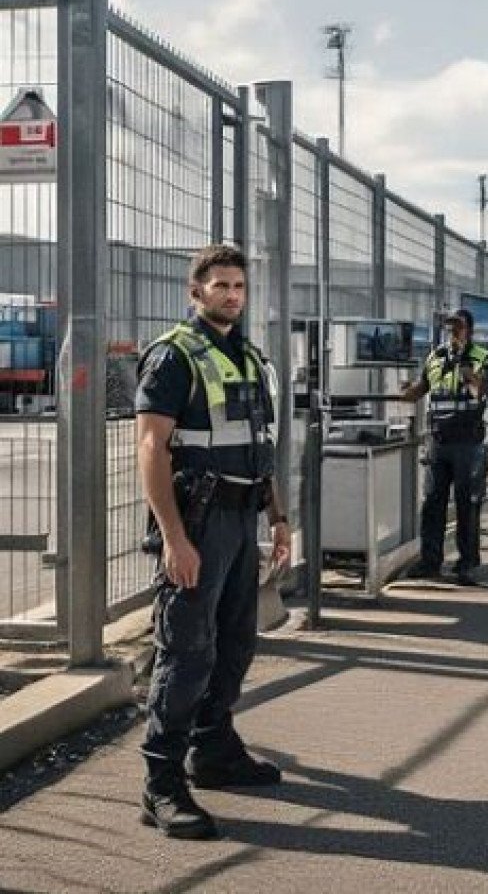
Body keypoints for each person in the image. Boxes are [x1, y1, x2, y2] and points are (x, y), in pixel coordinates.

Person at [135, 244, 292, 839]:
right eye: (220, 285)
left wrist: (279, 517)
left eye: (239, 286)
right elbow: (150, 449)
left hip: (241, 521)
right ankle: (161, 784)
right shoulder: (175, 357)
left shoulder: (249, 359)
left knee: (234, 645)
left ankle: (213, 751)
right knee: (186, 654)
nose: (232, 294)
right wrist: (175, 538)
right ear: (195, 292)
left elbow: (263, 445)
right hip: (196, 524)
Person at [401, 308, 488, 586]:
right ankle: (430, 561)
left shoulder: (485, 357)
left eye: (458, 326)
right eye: (450, 327)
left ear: (469, 329)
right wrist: (408, 391)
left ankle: (466, 563)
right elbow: (421, 389)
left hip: (468, 442)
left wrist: (465, 368)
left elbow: (480, 391)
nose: (453, 331)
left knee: (468, 504)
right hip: (439, 440)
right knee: (432, 503)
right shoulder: (435, 357)